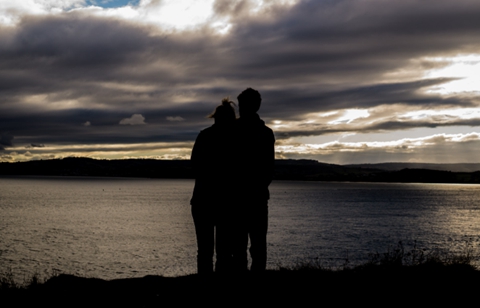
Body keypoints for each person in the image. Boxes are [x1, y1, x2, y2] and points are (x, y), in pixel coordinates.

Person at [190, 98, 237, 274]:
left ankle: (205, 289)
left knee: (205, 251)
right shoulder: (236, 139)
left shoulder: (204, 136)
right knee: (224, 252)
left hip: (203, 200)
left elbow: (195, 166)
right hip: (226, 202)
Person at [232, 88, 275, 272]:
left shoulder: (234, 130)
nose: (241, 109)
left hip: (245, 196)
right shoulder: (265, 132)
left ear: (255, 106)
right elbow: (268, 169)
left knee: (250, 245)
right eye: (241, 105)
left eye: (243, 105)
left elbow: (268, 168)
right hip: (249, 196)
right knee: (247, 246)